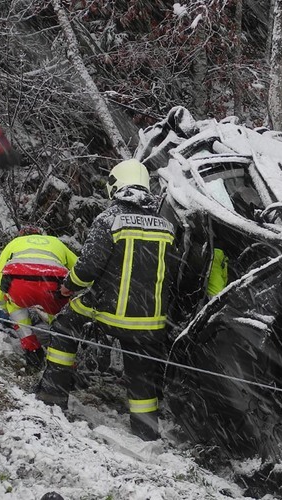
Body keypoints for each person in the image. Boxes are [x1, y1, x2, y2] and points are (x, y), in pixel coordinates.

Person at [36, 159, 176, 441]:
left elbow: (88, 267)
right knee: (142, 373)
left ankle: (52, 396)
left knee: (65, 325)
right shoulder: (167, 226)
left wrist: (67, 288)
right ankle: (146, 431)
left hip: (109, 312)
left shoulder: (109, 220)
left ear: (116, 185)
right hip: (151, 322)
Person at [0, 226, 78, 367]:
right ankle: (59, 347)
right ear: (41, 234)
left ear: (21, 235)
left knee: (13, 304)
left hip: (20, 287)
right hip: (52, 287)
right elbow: (79, 267)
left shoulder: (14, 243)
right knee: (57, 314)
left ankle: (31, 348)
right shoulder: (55, 242)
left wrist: (3, 304)